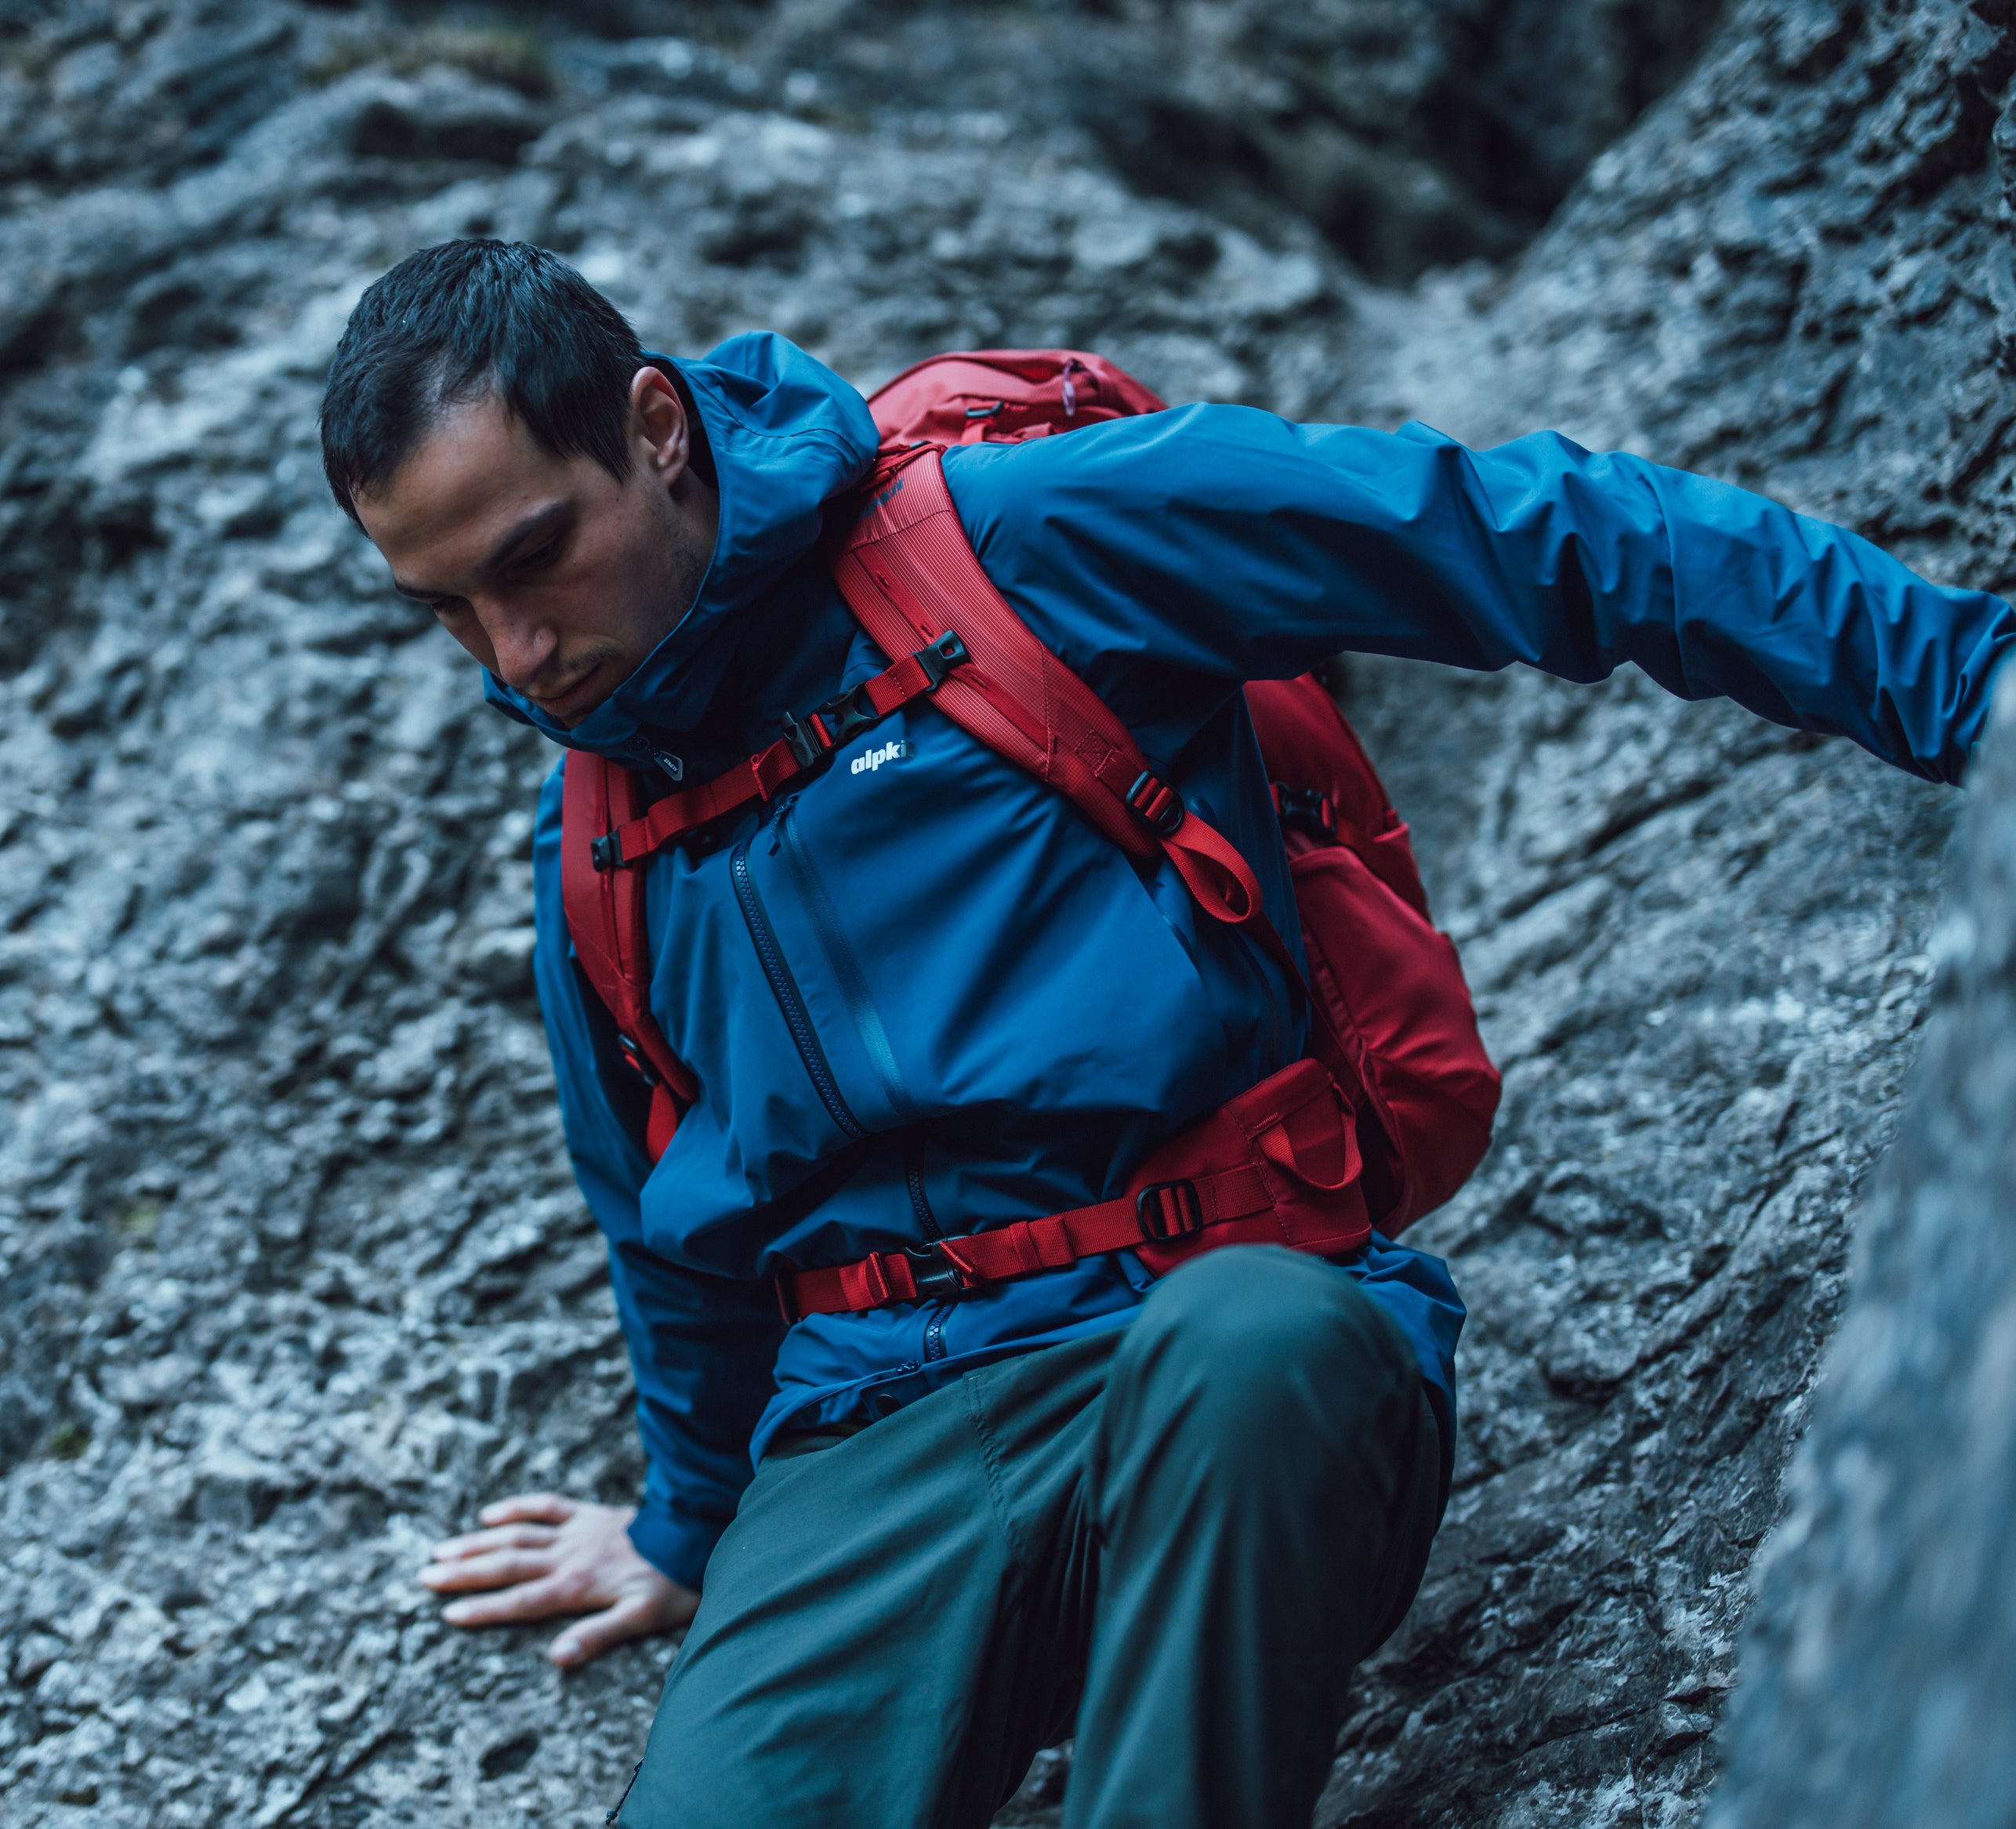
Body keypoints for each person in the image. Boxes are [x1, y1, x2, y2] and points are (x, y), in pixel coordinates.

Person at [316, 239, 2013, 1829]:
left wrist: (1969, 683)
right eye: (449, 609)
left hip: (1222, 1351)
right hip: (876, 1446)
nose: (515, 657)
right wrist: (682, 1524)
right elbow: (661, 1211)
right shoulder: (597, 834)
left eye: (531, 557)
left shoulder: (1020, 543)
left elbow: (1533, 533)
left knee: (1256, 1342)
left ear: (657, 433)